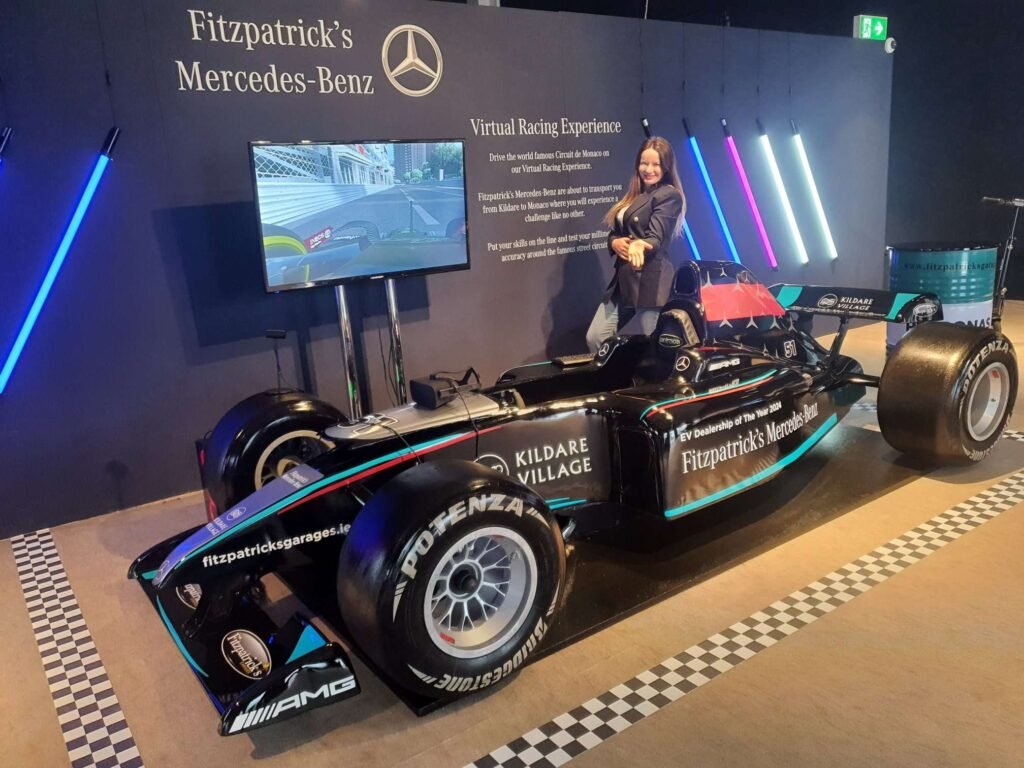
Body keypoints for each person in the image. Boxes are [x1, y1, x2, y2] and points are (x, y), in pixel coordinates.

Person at [586, 136, 685, 353]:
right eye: (644, 163)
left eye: (656, 164)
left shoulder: (668, 195)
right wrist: (614, 242)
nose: (648, 169)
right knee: (596, 337)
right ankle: (615, 376)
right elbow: (617, 232)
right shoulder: (636, 194)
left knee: (657, 349)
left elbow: (655, 237)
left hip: (650, 281)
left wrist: (640, 245)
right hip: (624, 280)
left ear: (666, 167)